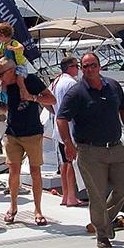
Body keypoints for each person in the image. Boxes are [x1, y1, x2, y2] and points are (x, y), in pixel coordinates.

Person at [56, 53, 124, 248]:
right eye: (85, 66)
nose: (89, 69)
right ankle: (102, 235)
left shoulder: (113, 86)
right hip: (89, 150)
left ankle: (104, 220)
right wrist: (68, 143)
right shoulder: (76, 92)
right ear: (81, 69)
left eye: (92, 65)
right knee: (97, 194)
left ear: (99, 66)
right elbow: (61, 118)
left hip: (115, 146)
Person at [0, 57, 56, 226]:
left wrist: (32, 98)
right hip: (12, 133)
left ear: (11, 71)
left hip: (32, 133)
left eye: (1, 74)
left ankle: (38, 210)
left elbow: (52, 100)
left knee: (36, 172)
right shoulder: (5, 86)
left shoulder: (30, 80)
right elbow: (8, 108)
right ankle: (12, 207)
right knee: (13, 172)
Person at [49, 57, 87, 207]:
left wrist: (56, 112)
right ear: (69, 67)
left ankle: (65, 196)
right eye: (76, 66)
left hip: (59, 127)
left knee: (64, 163)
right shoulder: (71, 83)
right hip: (70, 128)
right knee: (71, 161)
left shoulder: (56, 81)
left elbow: (48, 102)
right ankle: (71, 196)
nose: (78, 69)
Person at [0, 22, 32, 109]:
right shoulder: (3, 45)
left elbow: (21, 47)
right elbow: (0, 52)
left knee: (20, 82)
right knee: (3, 83)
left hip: (19, 66)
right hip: (8, 67)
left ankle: (24, 98)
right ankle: (3, 100)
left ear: (3, 35)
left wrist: (14, 48)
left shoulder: (13, 42)